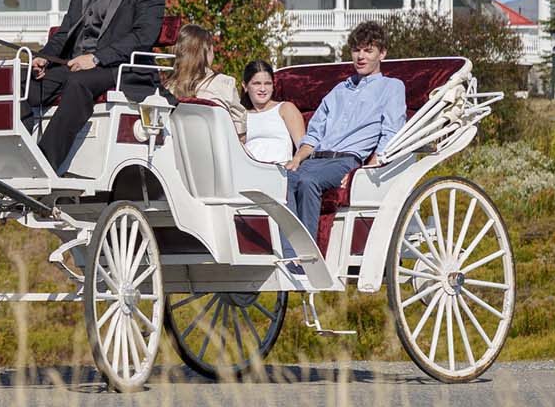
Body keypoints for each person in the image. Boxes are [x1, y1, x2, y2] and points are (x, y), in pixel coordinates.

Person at [24, 0, 167, 170]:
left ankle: (43, 165)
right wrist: (43, 57)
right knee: (24, 86)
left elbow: (143, 37)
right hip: (77, 66)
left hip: (121, 68)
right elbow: (64, 33)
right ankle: (16, 159)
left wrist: (96, 58)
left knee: (79, 84)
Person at [278, 19, 406, 288]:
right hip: (316, 158)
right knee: (282, 178)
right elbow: (314, 133)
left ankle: (307, 257)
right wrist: (297, 158)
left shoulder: (392, 88)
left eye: (368, 50)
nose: (361, 56)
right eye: (357, 50)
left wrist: (371, 166)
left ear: (382, 54)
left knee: (308, 181)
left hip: (347, 161)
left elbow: (391, 131)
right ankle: (286, 254)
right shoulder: (339, 90)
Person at [168, 30, 305, 167]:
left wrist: (295, 161)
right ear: (245, 86)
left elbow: (303, 145)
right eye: (257, 83)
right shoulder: (225, 85)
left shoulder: (167, 88)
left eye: (267, 83)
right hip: (237, 167)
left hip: (277, 169)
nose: (263, 89)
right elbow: (239, 134)